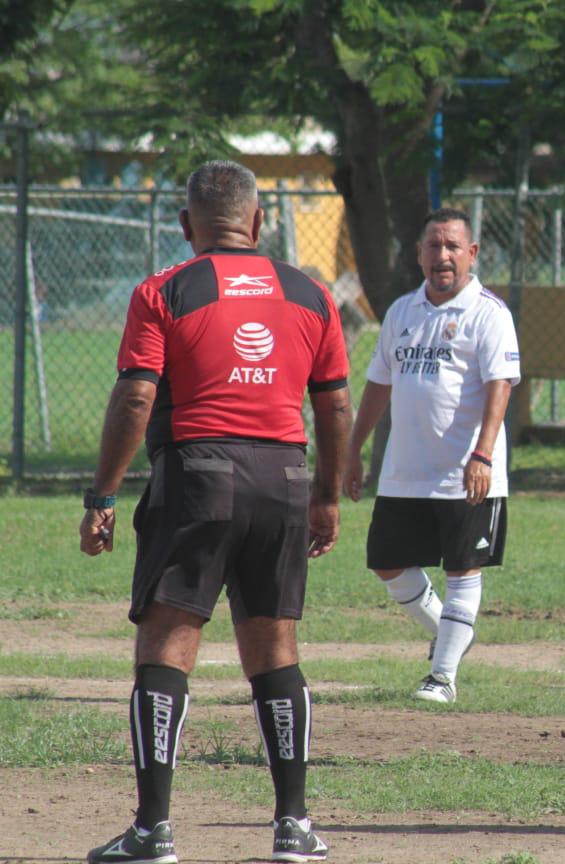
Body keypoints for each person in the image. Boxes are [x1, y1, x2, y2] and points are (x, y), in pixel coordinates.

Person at [79, 160, 351, 863]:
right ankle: (293, 827)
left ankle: (153, 832)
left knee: (167, 644)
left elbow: (138, 397)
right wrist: (324, 493)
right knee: (275, 650)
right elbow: (336, 405)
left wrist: (102, 494)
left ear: (184, 225)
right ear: (257, 222)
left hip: (198, 476)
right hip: (285, 478)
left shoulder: (164, 290)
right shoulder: (311, 293)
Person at [343, 207, 519, 704]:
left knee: (463, 568)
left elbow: (500, 386)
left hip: (466, 473)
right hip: (405, 471)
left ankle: (442, 676)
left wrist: (482, 455)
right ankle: (452, 632)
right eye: (433, 247)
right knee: (387, 562)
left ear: (472, 253)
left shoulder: (489, 312)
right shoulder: (402, 312)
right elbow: (379, 383)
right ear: (419, 254)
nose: (442, 256)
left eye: (452, 247)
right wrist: (353, 450)